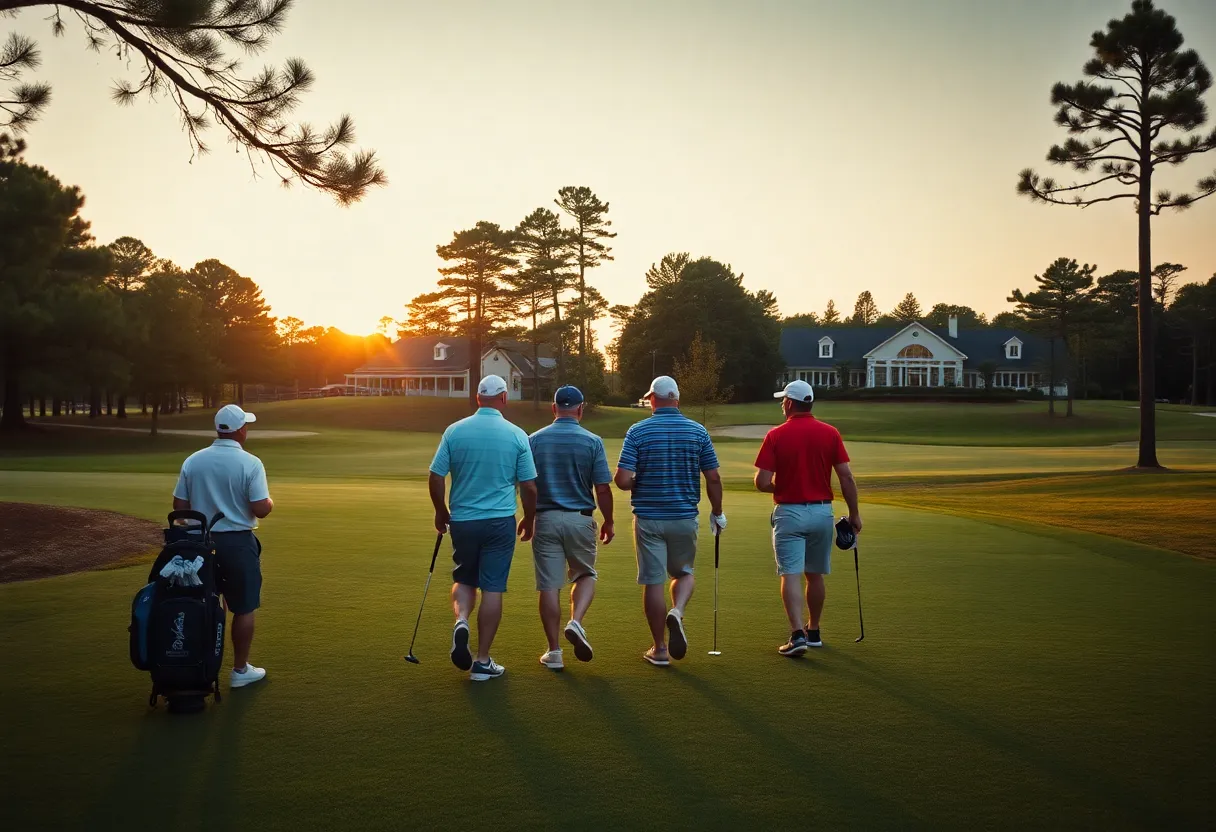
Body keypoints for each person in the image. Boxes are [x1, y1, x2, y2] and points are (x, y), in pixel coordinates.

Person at [428, 375, 538, 682]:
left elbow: (436, 476)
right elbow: (529, 486)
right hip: (499, 521)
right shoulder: (517, 435)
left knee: (465, 578)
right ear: (503, 398)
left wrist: (441, 511)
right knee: (492, 587)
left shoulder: (454, 430)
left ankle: (462, 619)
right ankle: (482, 660)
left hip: (463, 519)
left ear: (478, 398)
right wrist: (529, 518)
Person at [614, 375, 724, 666]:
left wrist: (638, 482)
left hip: (649, 518)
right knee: (684, 572)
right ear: (676, 399)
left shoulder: (638, 431)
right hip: (684, 516)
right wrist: (718, 511)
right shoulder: (697, 431)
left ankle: (660, 649)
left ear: (652, 399)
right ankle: (677, 611)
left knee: (653, 582)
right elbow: (712, 476)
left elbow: (622, 480)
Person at [753, 379, 861, 657]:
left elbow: (762, 482)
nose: (781, 405)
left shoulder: (776, 435)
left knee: (790, 573)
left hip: (789, 512)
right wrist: (855, 515)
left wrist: (785, 485)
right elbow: (846, 477)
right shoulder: (830, 433)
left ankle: (797, 634)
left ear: (789, 403)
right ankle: (813, 631)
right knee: (815, 574)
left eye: (783, 401)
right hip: (822, 512)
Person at [171, 404, 274, 688]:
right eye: (246, 426)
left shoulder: (194, 460)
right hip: (238, 543)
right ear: (240, 430)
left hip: (197, 545)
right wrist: (270, 503)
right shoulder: (250, 463)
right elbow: (260, 509)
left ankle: (196, 662)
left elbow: (180, 507)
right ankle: (239, 671)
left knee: (200, 603)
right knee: (243, 607)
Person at [527, 385, 615, 670]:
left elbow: (527, 485)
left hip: (545, 518)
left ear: (554, 408)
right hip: (580, 517)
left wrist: (528, 516)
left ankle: (554, 652)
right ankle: (575, 622)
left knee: (549, 586)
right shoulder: (592, 441)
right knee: (585, 573)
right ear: (581, 408)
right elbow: (602, 487)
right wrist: (609, 521)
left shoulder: (534, 440)